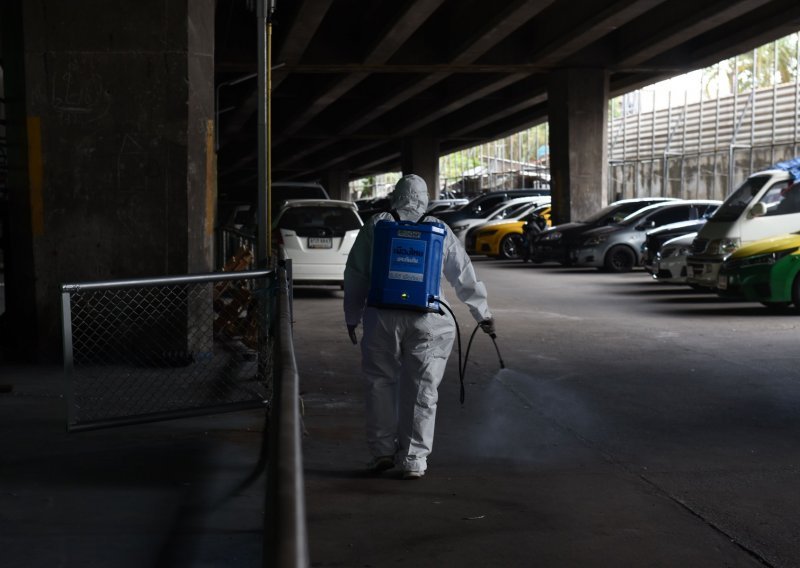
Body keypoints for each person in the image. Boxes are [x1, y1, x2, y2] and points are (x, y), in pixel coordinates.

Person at [343, 174, 495, 480]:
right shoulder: (438, 228)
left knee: (380, 383)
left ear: (396, 196)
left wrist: (352, 316)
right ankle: (414, 459)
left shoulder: (376, 225)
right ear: (424, 198)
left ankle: (383, 452)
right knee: (423, 388)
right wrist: (483, 315)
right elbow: (463, 274)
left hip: (382, 316)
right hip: (429, 318)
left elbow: (356, 274)